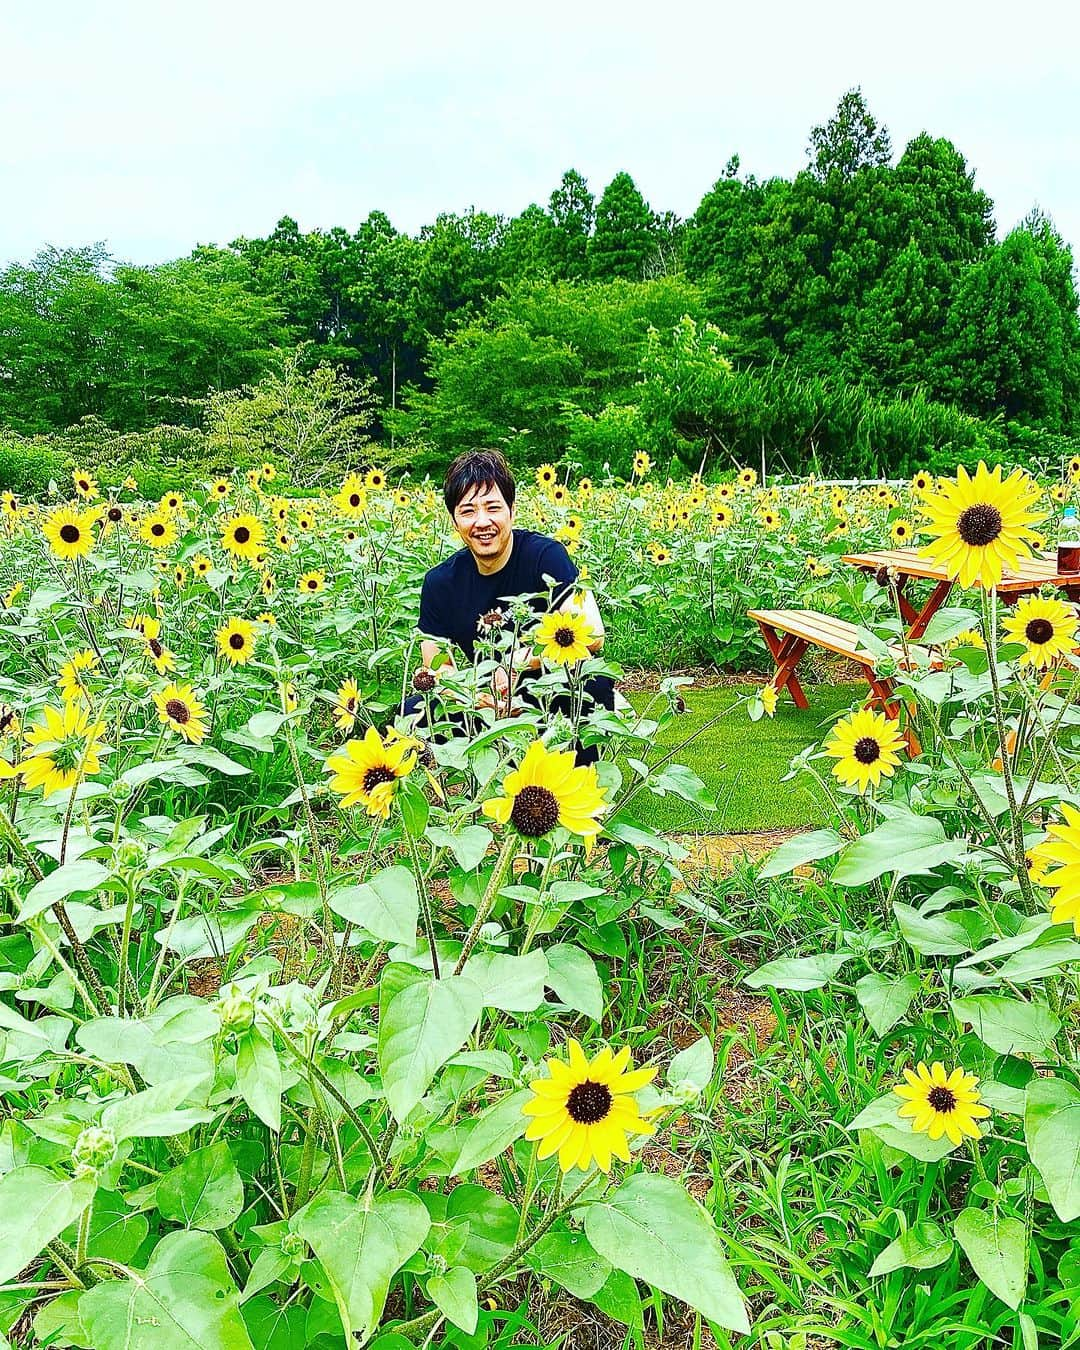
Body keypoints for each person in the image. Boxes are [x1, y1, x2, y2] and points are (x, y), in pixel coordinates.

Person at [404, 449, 614, 762]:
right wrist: (480, 699)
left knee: (593, 681)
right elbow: (436, 669)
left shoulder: (545, 556)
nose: (482, 522)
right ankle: (456, 786)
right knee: (415, 708)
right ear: (454, 520)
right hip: (482, 698)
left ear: (511, 511)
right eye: (468, 511)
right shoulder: (440, 583)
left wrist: (520, 661)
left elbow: (593, 634)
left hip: (545, 690)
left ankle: (579, 785)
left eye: (492, 507)